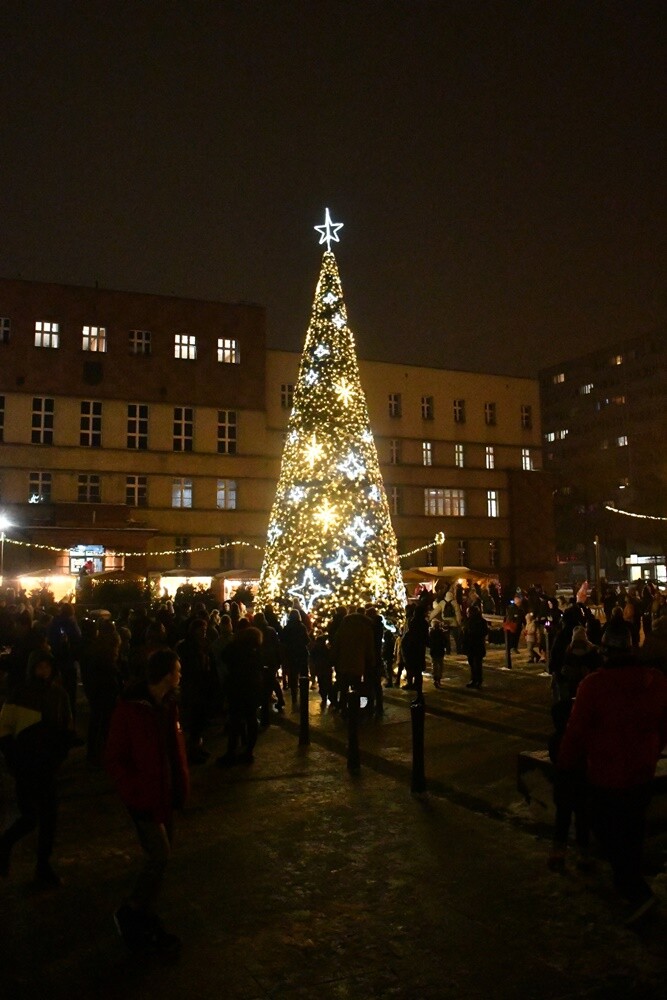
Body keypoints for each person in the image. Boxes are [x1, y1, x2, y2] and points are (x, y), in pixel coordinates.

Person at [557, 617, 667, 925]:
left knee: (606, 828)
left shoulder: (594, 686)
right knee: (632, 830)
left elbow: (575, 731)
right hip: (641, 771)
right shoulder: (655, 680)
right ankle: (632, 885)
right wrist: (652, 750)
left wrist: (566, 763)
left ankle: (635, 891)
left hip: (607, 773)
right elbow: (663, 724)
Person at [105, 648, 189, 955]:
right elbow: (115, 758)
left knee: (162, 860)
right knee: (159, 855)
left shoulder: (168, 704)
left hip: (166, 792)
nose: (180, 675)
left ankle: (145, 914)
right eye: (177, 670)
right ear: (166, 674)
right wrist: (135, 790)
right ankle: (131, 911)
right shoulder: (130, 709)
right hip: (144, 796)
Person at [0, 649, 74, 886]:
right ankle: (5, 844)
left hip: (48, 766)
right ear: (32, 668)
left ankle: (43, 867)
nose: (43, 671)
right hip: (26, 765)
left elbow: (66, 726)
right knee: (30, 817)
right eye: (39, 666)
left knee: (49, 818)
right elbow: (4, 728)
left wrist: (62, 750)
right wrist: (13, 758)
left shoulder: (59, 694)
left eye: (47, 666)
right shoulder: (19, 694)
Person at [464, 605, 489, 689]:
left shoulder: (481, 621)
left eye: (468, 612)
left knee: (477, 664)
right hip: (470, 646)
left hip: (477, 645)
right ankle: (473, 679)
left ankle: (478, 680)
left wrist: (473, 633)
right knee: (472, 663)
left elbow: (484, 632)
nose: (467, 613)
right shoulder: (468, 621)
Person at [428, 620, 447, 688]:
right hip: (440, 651)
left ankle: (435, 679)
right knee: (440, 665)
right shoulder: (442, 632)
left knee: (434, 665)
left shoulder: (431, 633)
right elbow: (445, 642)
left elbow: (429, 642)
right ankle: (438, 679)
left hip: (434, 651)